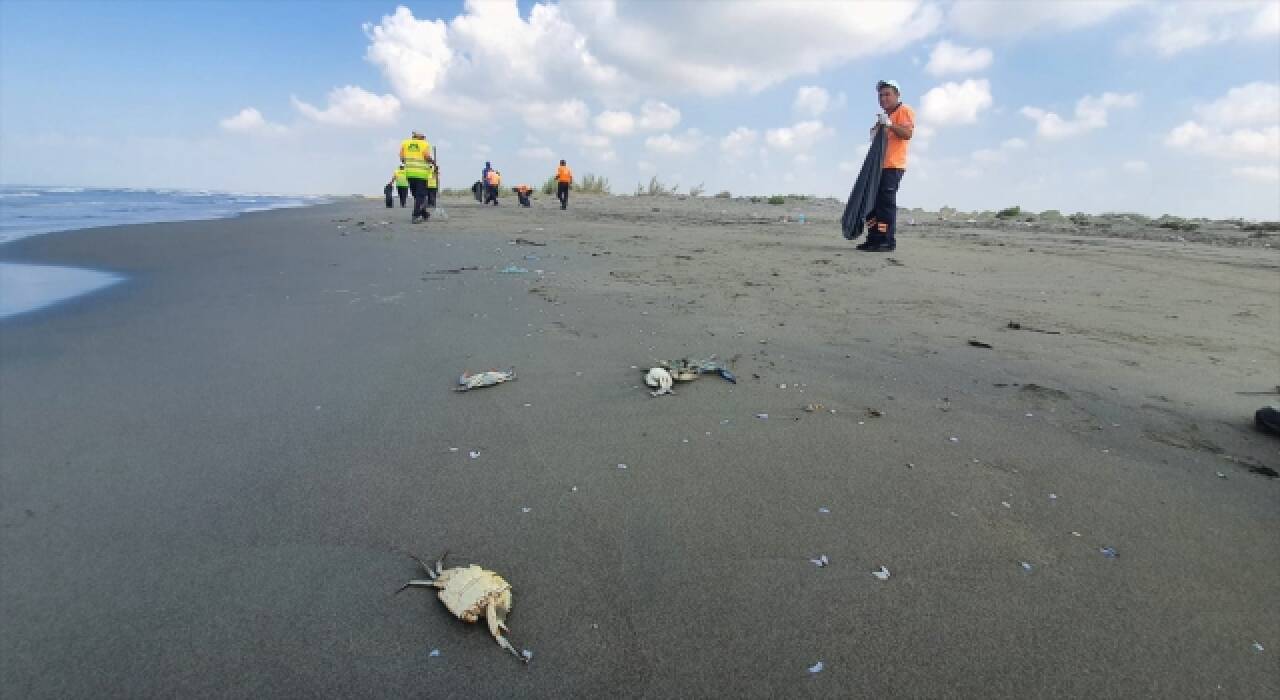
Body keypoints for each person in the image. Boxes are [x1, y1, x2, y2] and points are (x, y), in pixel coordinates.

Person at [857, 80, 915, 252]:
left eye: (887, 94)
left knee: (885, 204)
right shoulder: (882, 117)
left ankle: (886, 240)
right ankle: (873, 237)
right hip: (877, 168)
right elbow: (874, 139)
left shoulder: (904, 110)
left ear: (897, 95)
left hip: (893, 166)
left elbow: (907, 134)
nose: (883, 98)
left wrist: (890, 124)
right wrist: (877, 128)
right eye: (880, 95)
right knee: (871, 204)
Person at [400, 130, 433, 223]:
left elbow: (402, 158)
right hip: (421, 174)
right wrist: (432, 161)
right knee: (420, 195)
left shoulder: (405, 143)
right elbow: (426, 156)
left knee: (416, 195)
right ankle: (416, 215)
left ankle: (423, 213)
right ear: (421, 137)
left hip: (410, 174)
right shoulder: (424, 144)